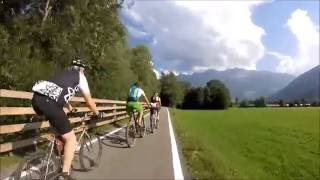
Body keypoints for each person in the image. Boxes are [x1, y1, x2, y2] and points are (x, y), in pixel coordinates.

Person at [31, 58, 102, 180]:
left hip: (36, 100)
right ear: (81, 69)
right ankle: (65, 173)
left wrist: (71, 108)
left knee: (60, 126)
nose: (84, 72)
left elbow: (60, 96)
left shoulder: (62, 75)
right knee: (71, 139)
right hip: (50, 103)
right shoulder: (80, 77)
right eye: (84, 70)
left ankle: (56, 152)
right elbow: (89, 101)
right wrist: (97, 113)